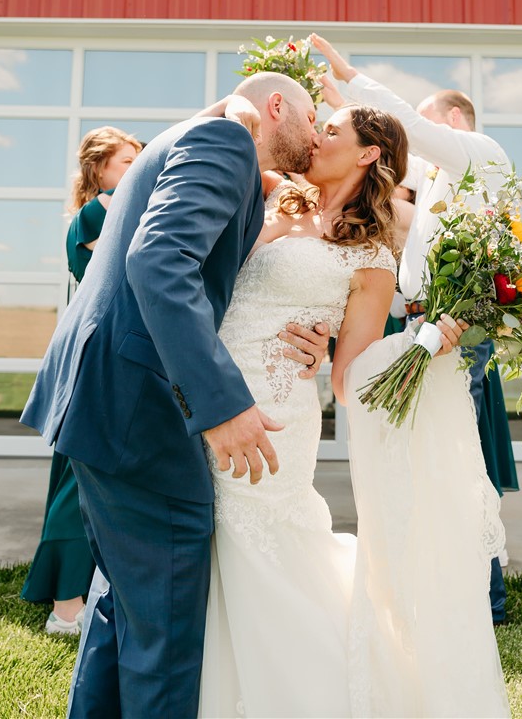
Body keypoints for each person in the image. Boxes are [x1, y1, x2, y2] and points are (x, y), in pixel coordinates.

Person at [20, 74, 331, 719]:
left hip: (107, 395)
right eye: (311, 114)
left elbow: (212, 277)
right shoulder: (225, 139)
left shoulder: (197, 141)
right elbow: (160, 261)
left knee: (125, 606)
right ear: (278, 106)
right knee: (165, 624)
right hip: (139, 405)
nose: (317, 128)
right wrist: (218, 406)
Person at [198, 102, 509, 718]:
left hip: (280, 411)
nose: (315, 137)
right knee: (207, 541)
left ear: (368, 153)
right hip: (209, 393)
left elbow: (350, 382)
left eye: (331, 130)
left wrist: (425, 340)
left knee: (255, 543)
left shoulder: (371, 256)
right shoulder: (266, 195)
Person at [311, 33, 519, 625]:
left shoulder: (479, 153)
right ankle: (446, 587)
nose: (420, 151)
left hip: (456, 331)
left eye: (430, 132)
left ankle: (483, 601)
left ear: (453, 121)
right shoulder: (440, 183)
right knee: (430, 454)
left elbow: (403, 127)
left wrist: (350, 81)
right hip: (428, 323)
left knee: (454, 456)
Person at [21, 126, 142, 635]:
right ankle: (66, 609)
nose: (136, 171)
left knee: (92, 482)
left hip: (112, 360)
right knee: (79, 486)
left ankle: (86, 593)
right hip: (93, 364)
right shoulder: (96, 213)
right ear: (99, 172)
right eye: (126, 163)